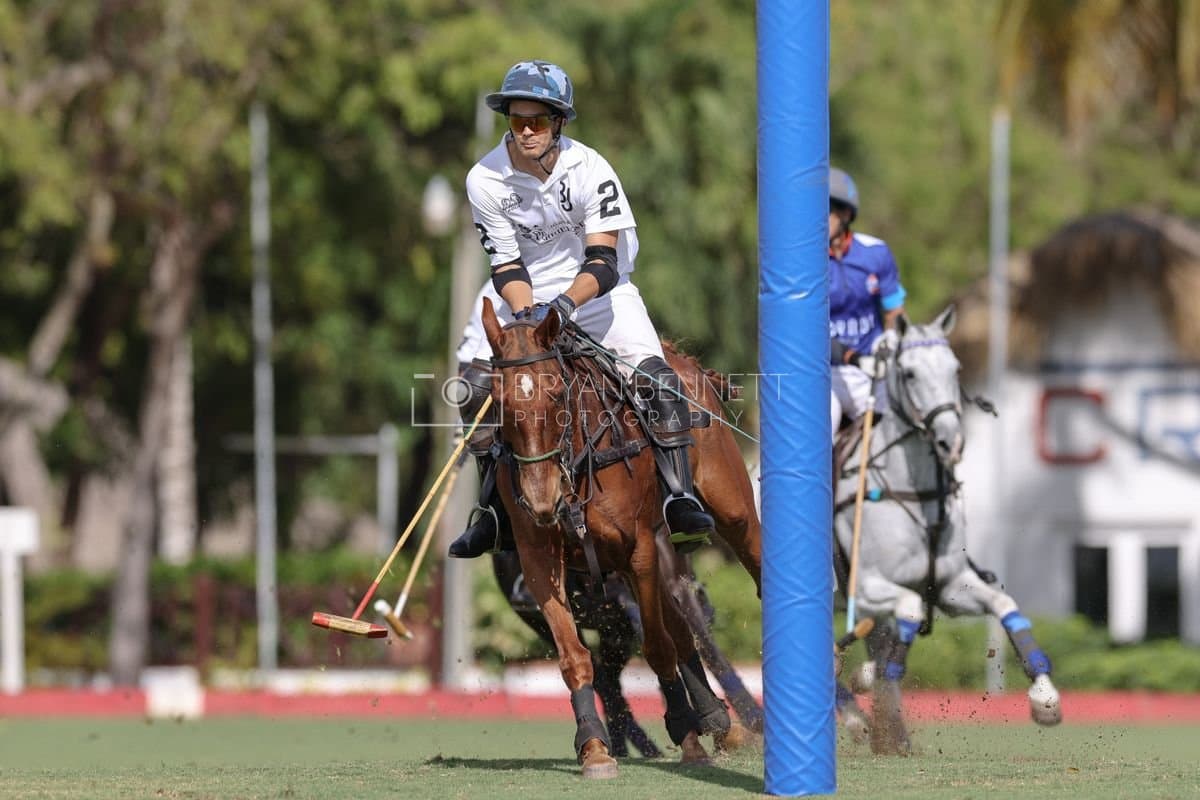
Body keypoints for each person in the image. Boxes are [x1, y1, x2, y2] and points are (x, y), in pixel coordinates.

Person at [446, 60, 715, 559]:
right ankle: (491, 513)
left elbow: (604, 262)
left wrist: (567, 306)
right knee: (478, 388)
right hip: (529, 301)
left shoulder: (590, 169)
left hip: (597, 295)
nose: (526, 131)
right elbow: (506, 267)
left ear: (559, 123)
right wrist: (530, 317)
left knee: (657, 378)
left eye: (538, 121)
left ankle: (679, 497)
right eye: (517, 120)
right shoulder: (484, 179)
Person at [827, 166, 907, 436]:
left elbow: (894, 309)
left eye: (824, 211)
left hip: (871, 374)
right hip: (825, 377)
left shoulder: (876, 253)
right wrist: (853, 358)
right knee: (817, 439)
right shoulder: (802, 262)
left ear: (846, 214)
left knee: (901, 433)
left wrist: (890, 337)